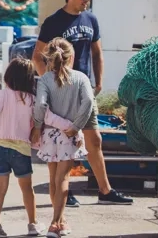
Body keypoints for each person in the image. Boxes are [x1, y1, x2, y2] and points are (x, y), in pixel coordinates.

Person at [32, 0, 133, 207]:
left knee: (94, 139)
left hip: (83, 88)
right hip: (62, 93)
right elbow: (37, 56)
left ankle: (105, 191)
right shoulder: (53, 22)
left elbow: (97, 53)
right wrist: (50, 80)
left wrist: (99, 82)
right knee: (61, 142)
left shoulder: (91, 19)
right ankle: (62, 191)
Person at [0, 58, 47, 237]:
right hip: (21, 148)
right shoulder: (31, 99)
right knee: (27, 188)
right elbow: (38, 120)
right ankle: (33, 224)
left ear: (8, 76)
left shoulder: (2, 94)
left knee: (0, 188)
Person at [33, 38, 94, 237]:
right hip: (69, 135)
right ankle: (55, 223)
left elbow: (41, 105)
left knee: (53, 179)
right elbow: (89, 102)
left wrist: (37, 126)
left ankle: (61, 221)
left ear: (49, 58)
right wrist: (76, 126)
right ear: (71, 57)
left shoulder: (44, 79)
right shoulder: (81, 78)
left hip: (50, 134)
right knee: (63, 179)